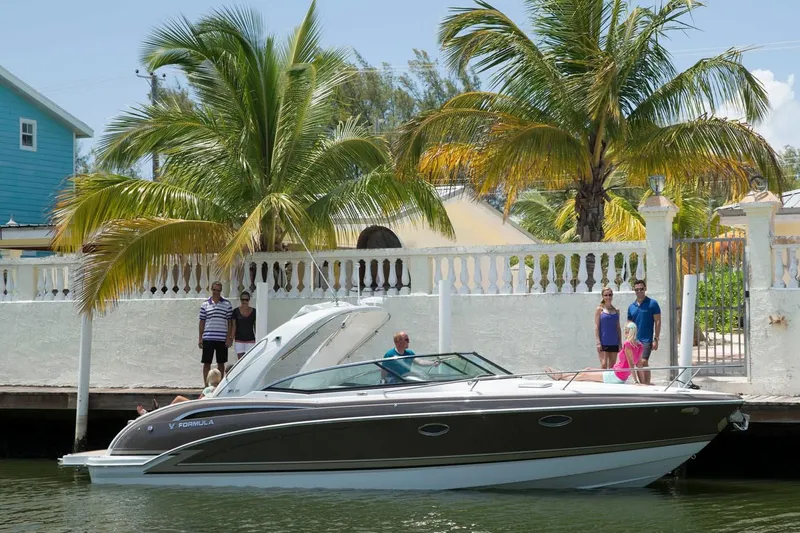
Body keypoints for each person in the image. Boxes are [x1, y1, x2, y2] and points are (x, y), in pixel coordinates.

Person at [545, 322, 643, 384]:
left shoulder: (627, 344)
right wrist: (642, 382)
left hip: (616, 376)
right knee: (588, 369)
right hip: (614, 372)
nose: (624, 334)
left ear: (629, 332)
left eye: (626, 331)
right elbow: (639, 366)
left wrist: (636, 382)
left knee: (585, 375)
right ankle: (561, 375)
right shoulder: (640, 346)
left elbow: (631, 365)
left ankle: (561, 378)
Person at [136, 369, 222, 416]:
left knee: (178, 398)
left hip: (200, 406)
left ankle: (160, 412)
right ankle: (159, 411)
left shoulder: (207, 389)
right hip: (205, 407)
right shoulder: (221, 388)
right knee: (180, 400)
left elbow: (198, 401)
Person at [198, 281, 234, 385]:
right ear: (211, 290)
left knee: (221, 363)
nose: (216, 292)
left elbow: (230, 322)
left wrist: (229, 338)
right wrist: (200, 338)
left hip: (221, 339)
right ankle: (206, 385)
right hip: (208, 338)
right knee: (206, 363)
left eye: (218, 290)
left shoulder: (227, 304)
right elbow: (202, 322)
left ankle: (219, 386)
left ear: (221, 291)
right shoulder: (205, 304)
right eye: (214, 290)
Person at [627, 280, 661, 385]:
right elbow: (629, 324)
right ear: (634, 291)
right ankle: (643, 385)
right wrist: (628, 338)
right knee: (637, 363)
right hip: (635, 340)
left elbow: (658, 321)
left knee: (643, 361)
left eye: (641, 289)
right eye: (637, 289)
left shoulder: (653, 304)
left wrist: (656, 339)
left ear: (645, 289)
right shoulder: (631, 307)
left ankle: (647, 383)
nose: (639, 291)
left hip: (646, 339)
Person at [595, 288, 621, 369]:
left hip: (614, 341)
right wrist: (598, 342)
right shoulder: (600, 310)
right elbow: (596, 326)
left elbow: (618, 327)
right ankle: (602, 381)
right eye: (606, 295)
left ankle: (609, 382)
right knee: (603, 364)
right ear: (602, 296)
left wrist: (620, 342)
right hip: (603, 341)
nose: (608, 297)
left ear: (612, 296)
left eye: (610, 295)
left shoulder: (616, 310)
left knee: (612, 366)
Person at [232, 291, 256, 361]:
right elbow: (234, 326)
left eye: (246, 299)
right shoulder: (235, 311)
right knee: (240, 361)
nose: (244, 301)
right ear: (240, 300)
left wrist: (258, 338)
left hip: (250, 340)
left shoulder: (254, 311)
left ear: (249, 300)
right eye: (242, 299)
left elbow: (255, 326)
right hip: (239, 340)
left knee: (249, 360)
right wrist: (231, 339)